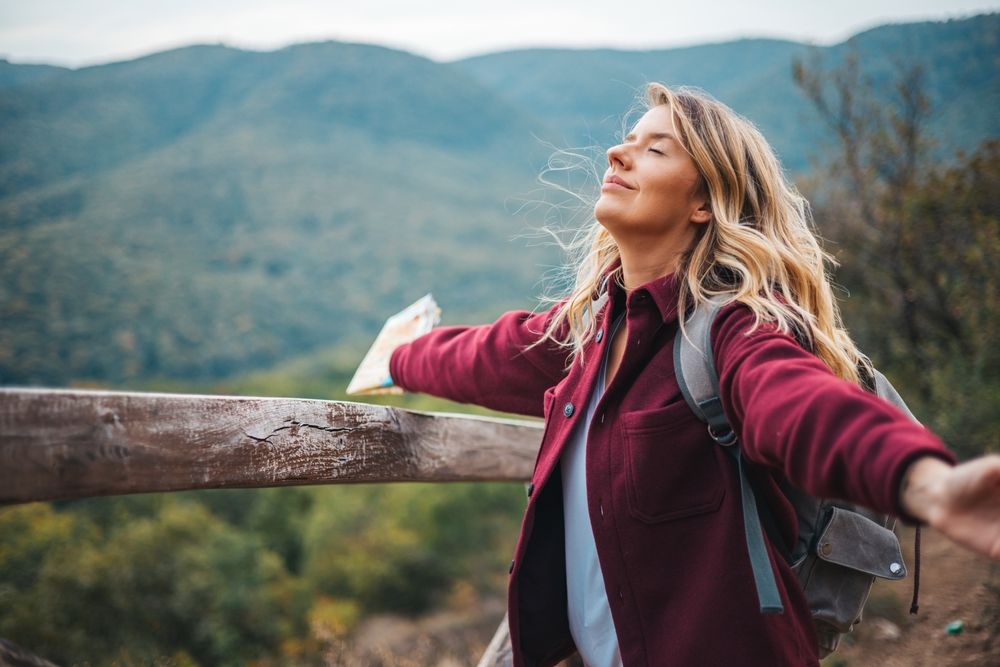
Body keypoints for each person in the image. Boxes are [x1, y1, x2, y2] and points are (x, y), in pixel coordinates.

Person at [386, 83, 1000, 666]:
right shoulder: (589, 331)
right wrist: (395, 358)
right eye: (630, 139)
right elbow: (483, 356)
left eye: (655, 149)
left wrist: (925, 484)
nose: (616, 152)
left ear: (706, 202)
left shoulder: (740, 328)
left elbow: (802, 405)